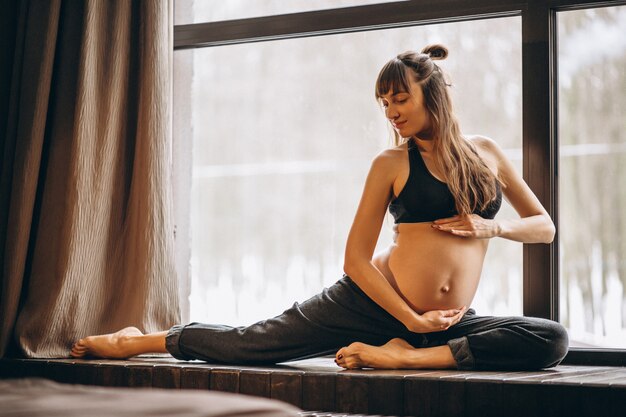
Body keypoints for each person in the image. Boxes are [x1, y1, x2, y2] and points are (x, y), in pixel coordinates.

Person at [71, 44, 568, 370]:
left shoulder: (486, 152)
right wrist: (410, 321)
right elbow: (354, 259)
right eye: (384, 104)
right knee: (251, 344)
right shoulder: (391, 163)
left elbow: (543, 227)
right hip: (370, 303)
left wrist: (491, 231)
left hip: (444, 321)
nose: (392, 114)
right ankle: (135, 341)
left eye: (400, 100)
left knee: (550, 339)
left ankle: (406, 358)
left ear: (432, 95)